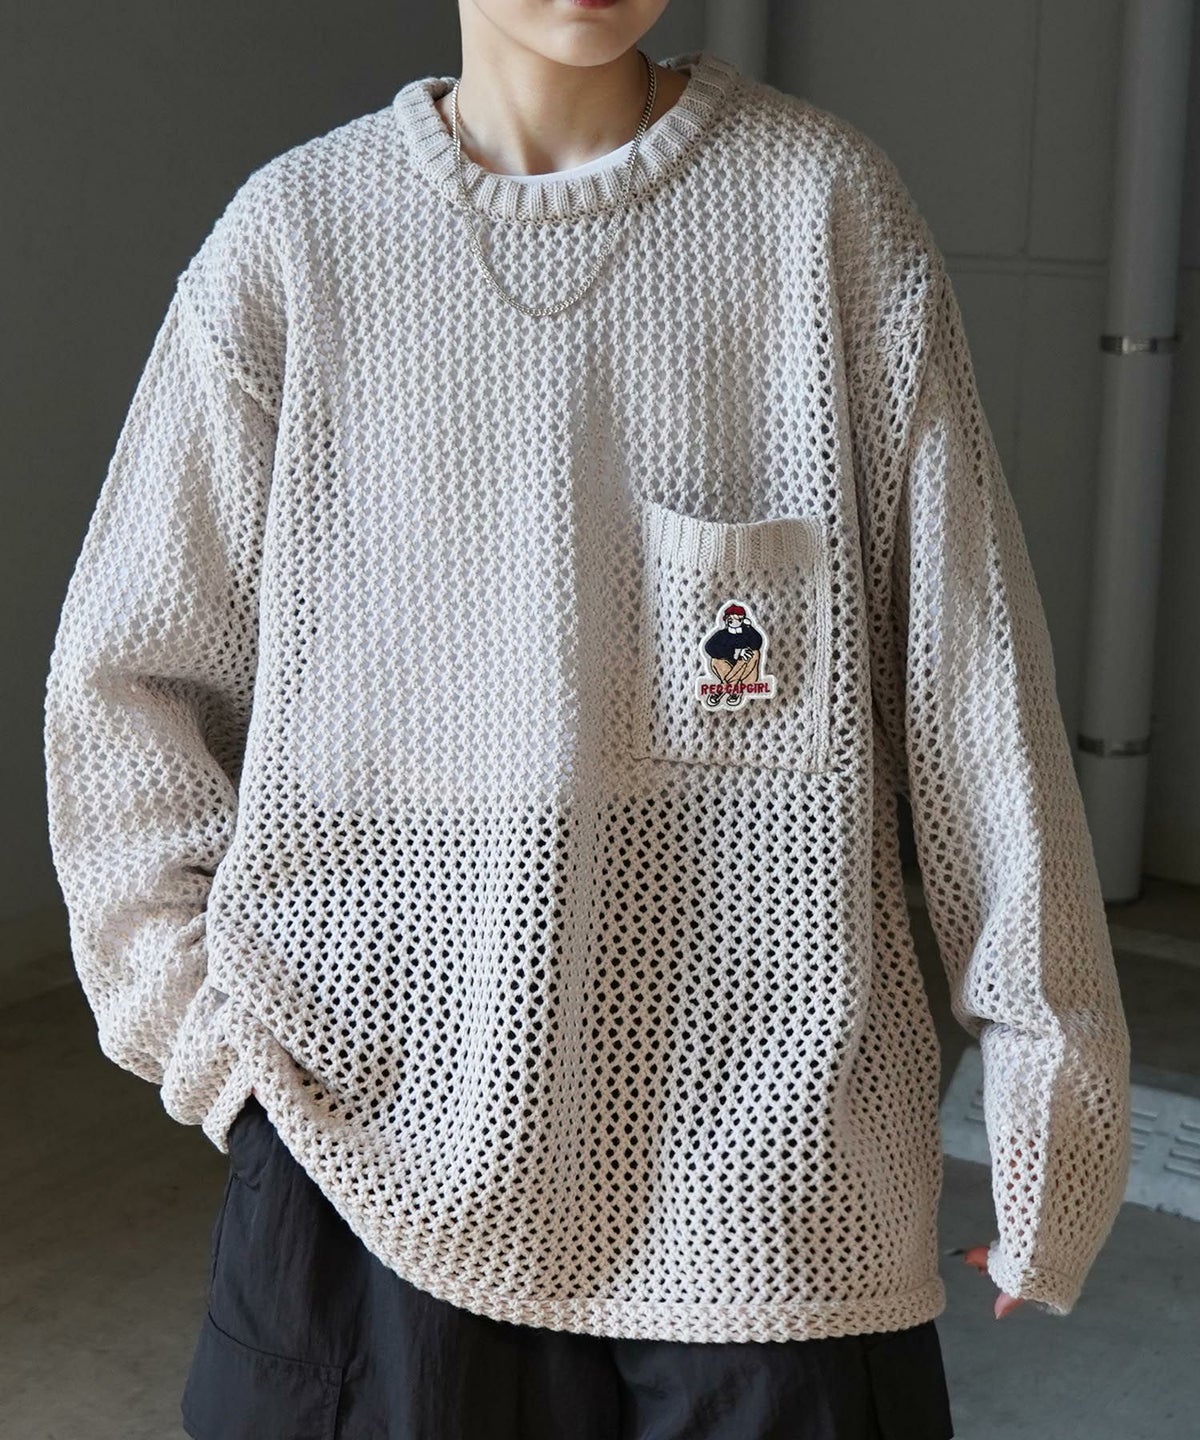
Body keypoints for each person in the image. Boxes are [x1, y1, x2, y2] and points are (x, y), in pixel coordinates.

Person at [43, 0, 1133, 1436]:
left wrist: (1054, 1091)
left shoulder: (821, 212)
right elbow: (122, 682)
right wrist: (211, 1042)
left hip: (771, 1185)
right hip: (364, 1153)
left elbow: (972, 686)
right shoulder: (297, 241)